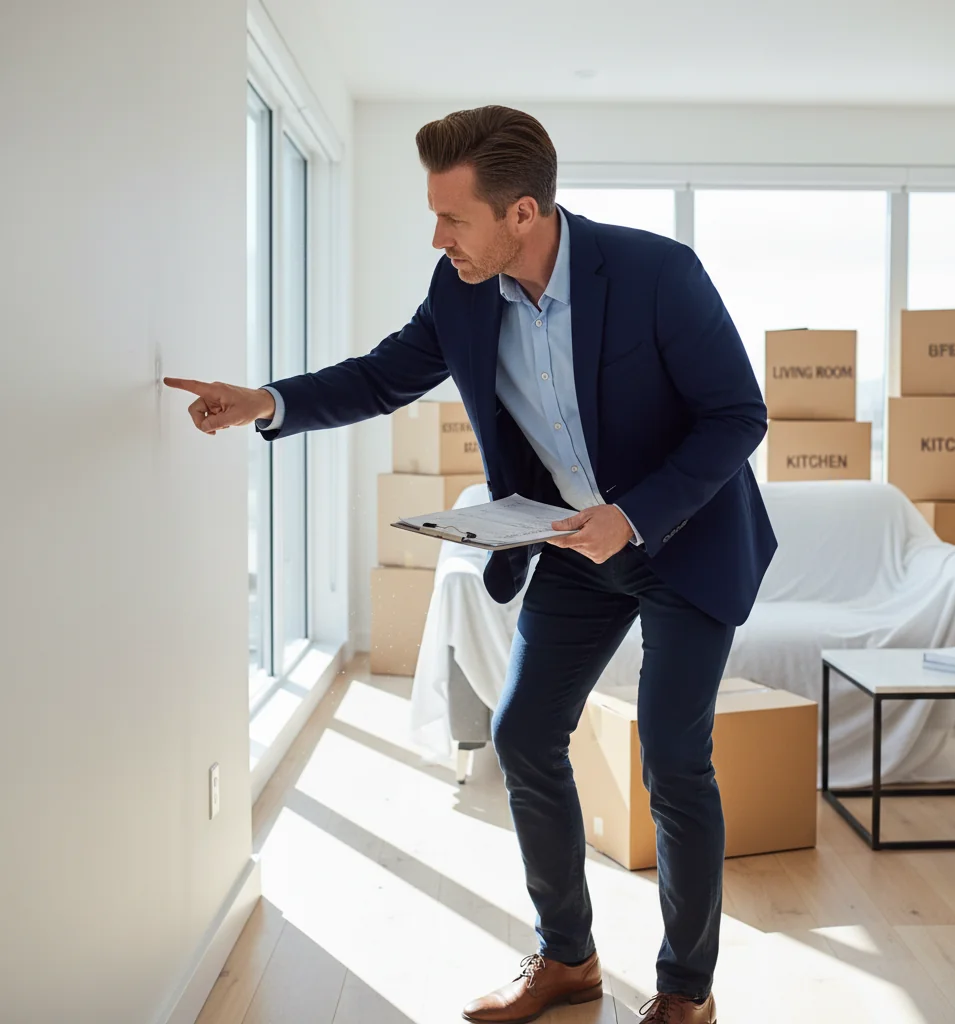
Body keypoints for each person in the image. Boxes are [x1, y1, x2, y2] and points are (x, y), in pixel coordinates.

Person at [166, 105, 776, 1024]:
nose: (438, 236)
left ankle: (686, 991)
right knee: (525, 733)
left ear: (521, 214)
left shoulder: (655, 273)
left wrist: (635, 517)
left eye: (453, 217)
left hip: (681, 543)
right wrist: (266, 401)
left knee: (674, 759)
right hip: (569, 541)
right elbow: (383, 376)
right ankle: (566, 959)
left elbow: (738, 415)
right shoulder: (459, 289)